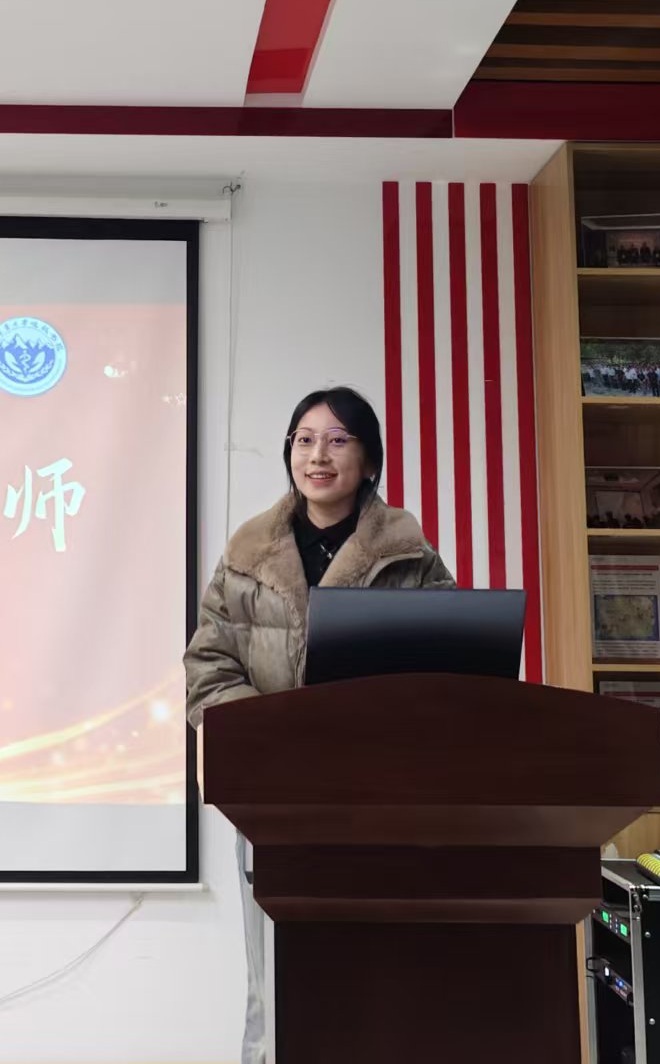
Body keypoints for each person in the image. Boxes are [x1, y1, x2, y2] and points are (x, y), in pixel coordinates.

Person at [183, 386, 454, 1064]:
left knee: (379, 973)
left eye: (337, 440)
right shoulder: (247, 555)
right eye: (304, 440)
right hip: (274, 793)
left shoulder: (411, 556)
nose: (318, 456)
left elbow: (454, 662)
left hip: (382, 797)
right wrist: (273, 732)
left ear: (369, 460)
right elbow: (208, 665)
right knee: (274, 979)